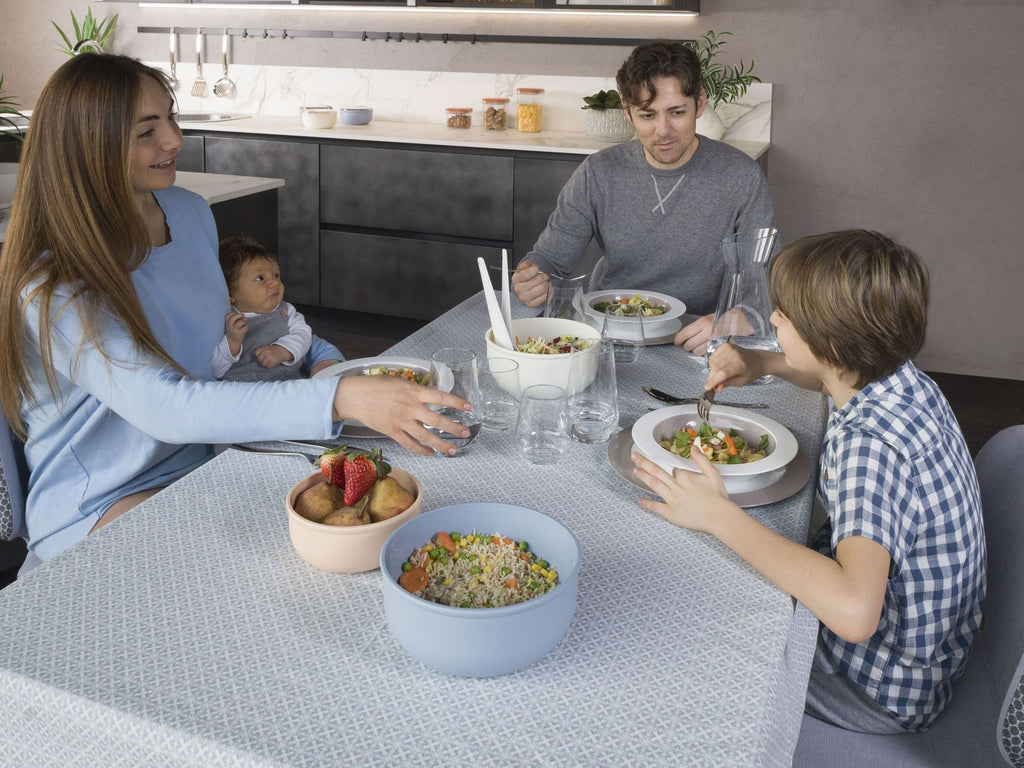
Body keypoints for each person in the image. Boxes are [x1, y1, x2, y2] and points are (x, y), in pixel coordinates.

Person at [0, 54, 470, 565]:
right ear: (85, 148)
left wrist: (323, 357)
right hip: (101, 502)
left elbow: (244, 331)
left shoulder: (189, 212)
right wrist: (336, 398)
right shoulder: (54, 285)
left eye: (171, 117)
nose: (174, 140)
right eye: (145, 131)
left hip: (210, 457)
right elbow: (167, 407)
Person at [631, 230, 986, 733]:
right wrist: (761, 362)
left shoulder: (871, 449)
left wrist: (718, 517)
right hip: (926, 654)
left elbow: (854, 611)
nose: (773, 320)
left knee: (690, 636)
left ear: (832, 343)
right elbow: (828, 374)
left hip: (875, 687)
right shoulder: (896, 379)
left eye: (784, 318)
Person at [511, 39, 777, 354]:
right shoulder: (598, 172)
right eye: (648, 115)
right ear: (628, 112)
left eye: (677, 112)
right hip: (610, 336)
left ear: (700, 103)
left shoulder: (741, 176)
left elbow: (766, 283)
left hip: (698, 336)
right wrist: (531, 278)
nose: (662, 130)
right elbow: (550, 260)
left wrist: (737, 320)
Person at [211, 235, 313, 382]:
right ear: (230, 293)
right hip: (244, 391)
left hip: (288, 384)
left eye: (276, 275)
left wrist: (282, 350)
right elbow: (215, 370)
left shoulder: (286, 311)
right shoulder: (226, 320)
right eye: (260, 278)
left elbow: (303, 335)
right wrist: (232, 340)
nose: (274, 283)